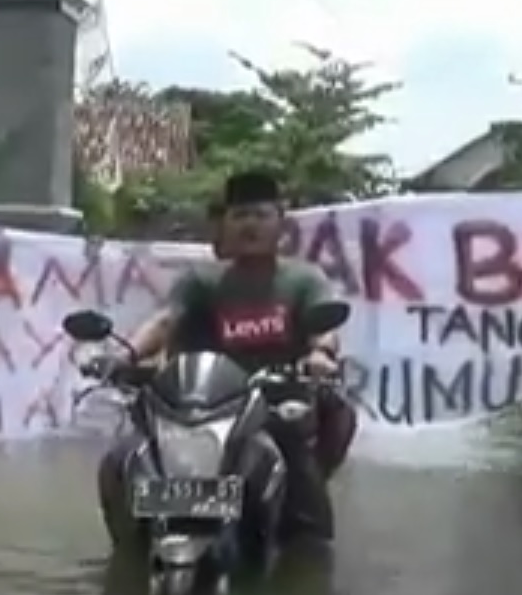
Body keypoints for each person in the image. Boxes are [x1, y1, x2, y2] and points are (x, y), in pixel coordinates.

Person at [101, 170, 356, 543]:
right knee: (119, 460)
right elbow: (165, 320)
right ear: (224, 225)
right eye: (239, 216)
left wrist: (320, 354)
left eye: (260, 215)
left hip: (272, 406)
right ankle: (131, 543)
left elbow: (324, 329)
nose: (249, 225)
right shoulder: (202, 281)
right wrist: (124, 355)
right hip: (200, 406)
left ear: (280, 223)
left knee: (305, 477)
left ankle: (305, 551)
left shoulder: (303, 280)